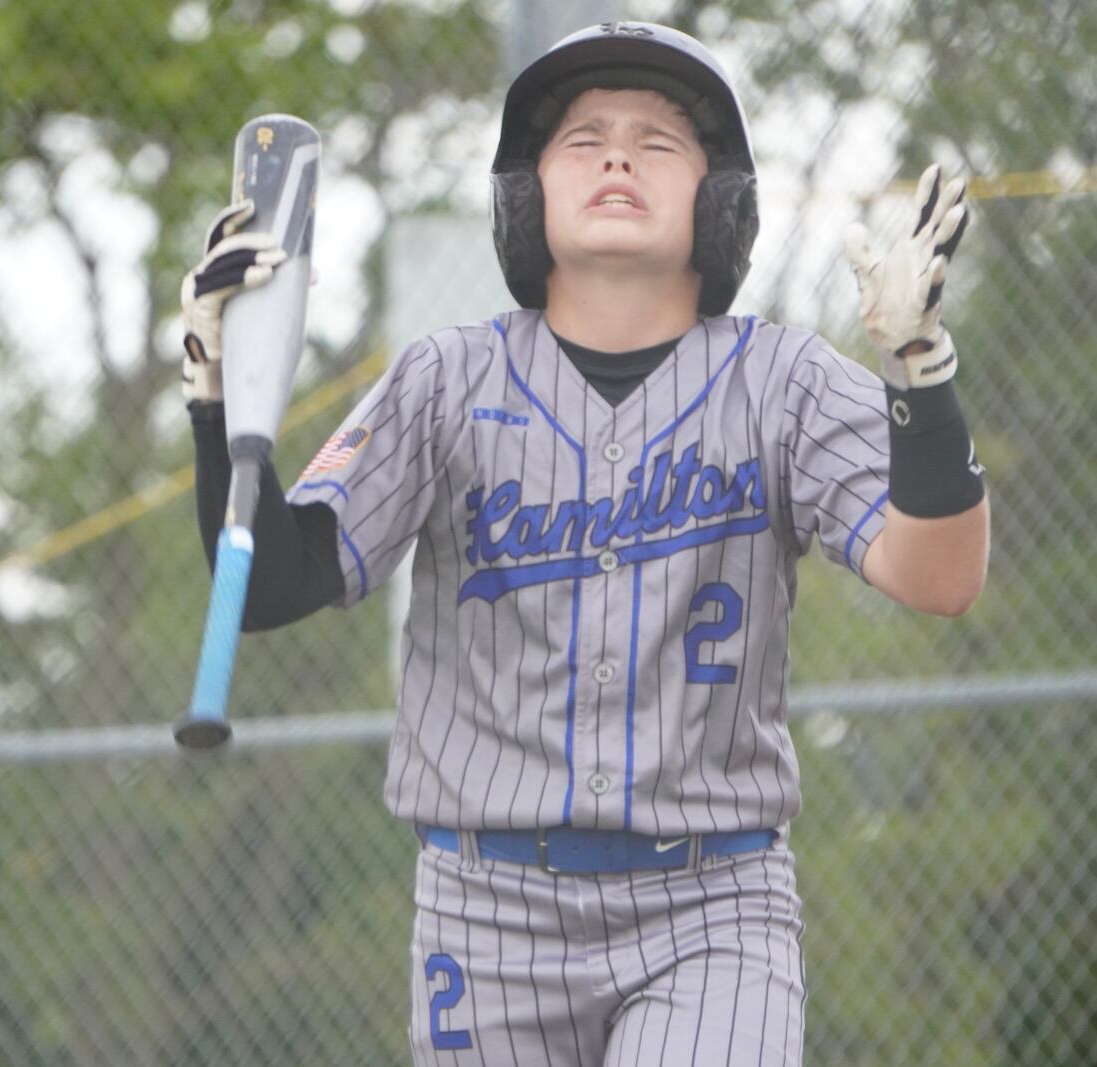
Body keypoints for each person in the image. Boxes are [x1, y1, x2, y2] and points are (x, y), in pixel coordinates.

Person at [180, 20, 988, 1067]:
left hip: (712, 902)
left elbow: (940, 576)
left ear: (718, 199)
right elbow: (269, 584)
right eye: (582, 139)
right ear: (529, 197)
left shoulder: (782, 377)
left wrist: (921, 377)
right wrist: (211, 402)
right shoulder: (444, 379)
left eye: (658, 141)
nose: (616, 155)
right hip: (486, 906)